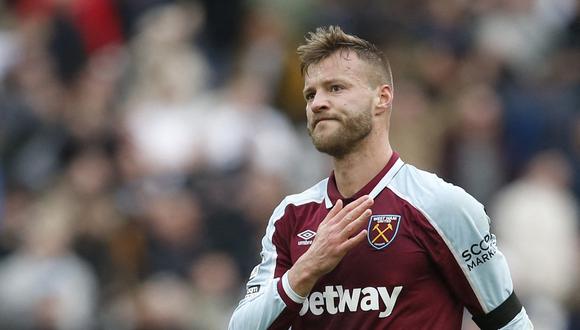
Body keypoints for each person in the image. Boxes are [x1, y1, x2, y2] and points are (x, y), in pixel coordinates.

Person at [228, 26, 533, 330]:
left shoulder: (443, 206)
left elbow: (511, 324)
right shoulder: (291, 215)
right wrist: (308, 267)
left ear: (382, 98)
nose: (317, 103)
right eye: (311, 94)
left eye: (336, 88)